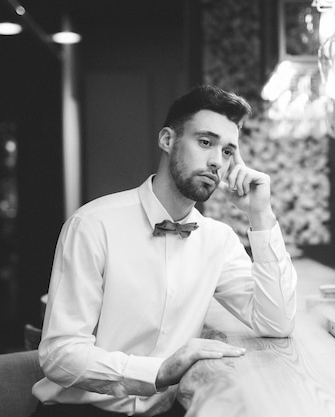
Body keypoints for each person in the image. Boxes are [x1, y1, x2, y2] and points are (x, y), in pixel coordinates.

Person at [31, 85, 298, 417]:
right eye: (205, 142)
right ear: (168, 140)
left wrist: (260, 214)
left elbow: (277, 322)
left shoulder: (218, 240)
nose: (217, 161)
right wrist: (158, 372)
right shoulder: (93, 225)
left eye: (228, 151)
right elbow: (59, 354)